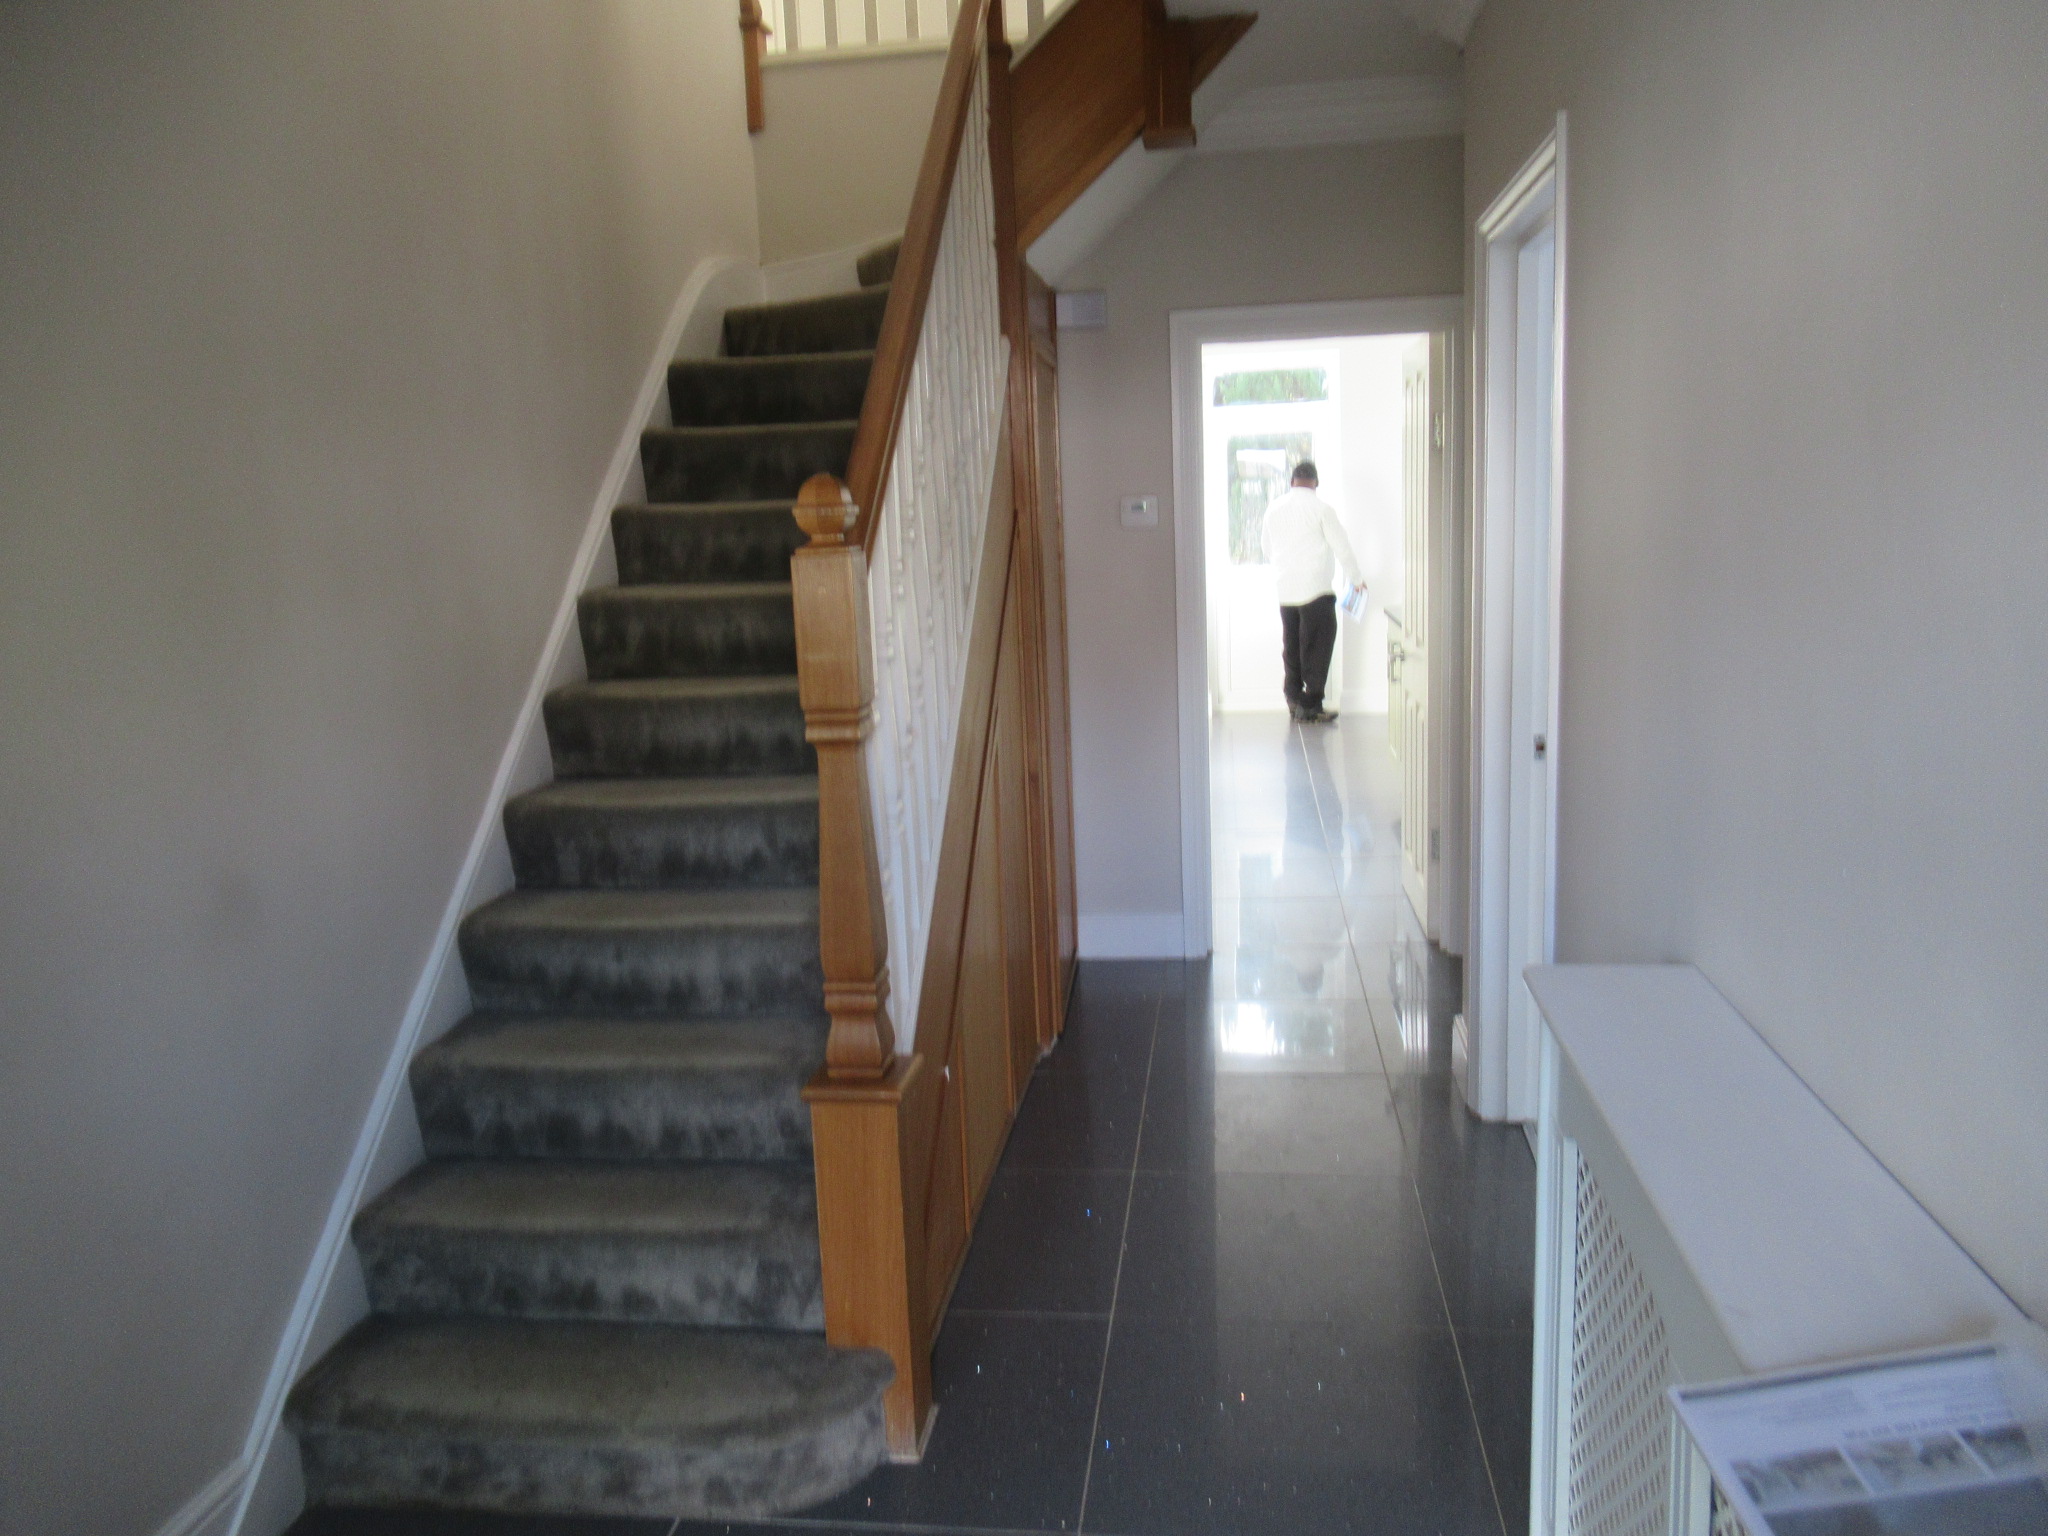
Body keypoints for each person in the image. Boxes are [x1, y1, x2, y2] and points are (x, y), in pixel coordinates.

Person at [1260, 459, 1365, 724]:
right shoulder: (1322, 509)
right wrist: (1356, 580)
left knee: (1292, 646)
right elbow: (1342, 547)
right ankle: (1311, 705)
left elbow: (1266, 548)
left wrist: (1286, 566)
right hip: (1316, 589)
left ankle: (1294, 699)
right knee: (1318, 647)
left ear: (1291, 481)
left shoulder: (1274, 509)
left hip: (1285, 590)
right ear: (1316, 483)